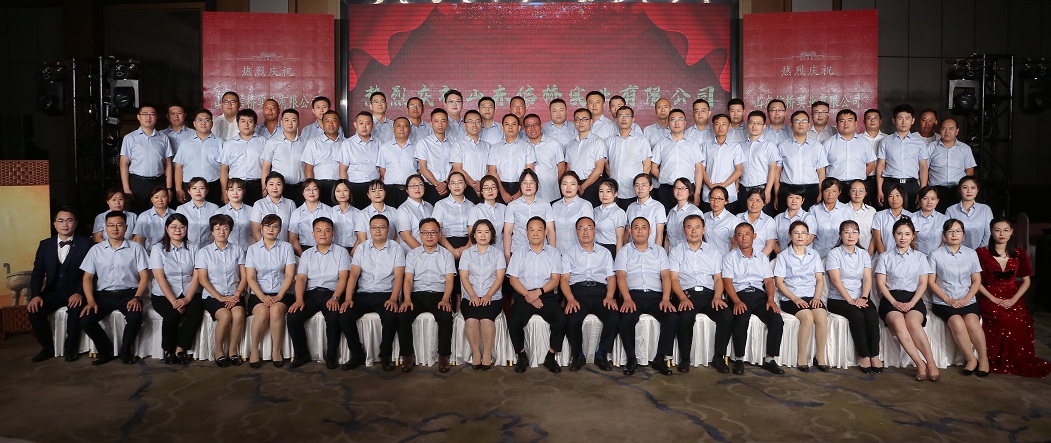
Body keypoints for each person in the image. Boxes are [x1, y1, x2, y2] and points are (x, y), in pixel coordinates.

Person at [976, 217, 1051, 377]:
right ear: (991, 232)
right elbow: (976, 282)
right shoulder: (981, 253)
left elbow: (1026, 281)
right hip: (989, 296)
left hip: (1012, 296)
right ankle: (994, 359)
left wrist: (1014, 299)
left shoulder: (1019, 254)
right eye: (997, 230)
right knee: (1002, 318)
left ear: (1011, 232)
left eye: (1005, 230)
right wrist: (993, 298)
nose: (1001, 234)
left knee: (1020, 320)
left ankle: (1016, 360)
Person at [79, 211, 149, 365]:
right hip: (103, 295)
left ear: (126, 227)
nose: (115, 228)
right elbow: (87, 278)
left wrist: (137, 297)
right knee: (86, 320)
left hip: (129, 294)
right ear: (105, 227)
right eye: (111, 225)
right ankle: (106, 352)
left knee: (135, 317)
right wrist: (90, 300)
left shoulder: (136, 248)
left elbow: (144, 276)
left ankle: (125, 352)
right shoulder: (96, 250)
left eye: (119, 225)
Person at [874, 218, 939, 381]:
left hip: (913, 298)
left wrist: (912, 303)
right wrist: (894, 302)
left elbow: (923, 283)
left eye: (907, 234)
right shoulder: (885, 257)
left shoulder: (920, 257)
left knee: (913, 323)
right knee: (898, 322)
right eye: (899, 233)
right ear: (894, 235)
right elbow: (881, 283)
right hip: (891, 299)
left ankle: (931, 362)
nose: (903, 237)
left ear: (913, 236)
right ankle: (919, 363)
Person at [614, 217, 678, 376]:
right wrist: (626, 298)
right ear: (630, 231)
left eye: (644, 227)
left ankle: (660, 358)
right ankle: (631, 358)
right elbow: (621, 277)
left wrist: (666, 299)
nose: (640, 231)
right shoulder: (624, 251)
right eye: (636, 227)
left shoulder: (659, 251)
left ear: (650, 231)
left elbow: (665, 276)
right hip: (633, 295)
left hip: (656, 296)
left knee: (672, 317)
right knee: (626, 318)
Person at [669, 214, 733, 373]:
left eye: (697, 227)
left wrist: (717, 296)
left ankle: (718, 357)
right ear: (684, 230)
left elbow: (718, 278)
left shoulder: (713, 251)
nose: (694, 231)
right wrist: (682, 298)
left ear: (703, 230)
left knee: (726, 315)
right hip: (686, 294)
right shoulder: (676, 251)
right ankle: (685, 359)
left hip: (709, 295)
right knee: (685, 316)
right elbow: (673, 279)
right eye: (689, 227)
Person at [287, 217, 353, 369]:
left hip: (332, 293)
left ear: (333, 233)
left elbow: (343, 277)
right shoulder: (307, 254)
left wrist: (335, 297)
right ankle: (302, 354)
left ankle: (331, 356)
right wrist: (299, 299)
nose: (323, 234)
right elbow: (301, 278)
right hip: (311, 294)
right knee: (293, 317)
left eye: (327, 230)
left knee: (333, 316)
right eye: (319, 230)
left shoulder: (341, 252)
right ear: (313, 234)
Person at [341, 215, 404, 371]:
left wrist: (394, 299)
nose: (378, 231)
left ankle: (385, 355)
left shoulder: (396, 248)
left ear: (388, 230)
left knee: (391, 317)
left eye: (382, 227)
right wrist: (348, 298)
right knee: (344, 316)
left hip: (386, 294)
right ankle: (357, 354)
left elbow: (399, 276)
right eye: (374, 227)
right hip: (364, 293)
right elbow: (353, 275)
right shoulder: (361, 248)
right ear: (369, 230)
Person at [27, 206, 90, 362]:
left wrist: (79, 293)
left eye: (69, 220)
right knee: (34, 311)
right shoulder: (45, 245)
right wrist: (36, 295)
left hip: (76, 291)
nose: (65, 224)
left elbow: (90, 274)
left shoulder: (86, 244)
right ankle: (47, 348)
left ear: (76, 223)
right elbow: (37, 273)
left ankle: (71, 349)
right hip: (53, 292)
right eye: (60, 221)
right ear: (54, 224)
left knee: (75, 311)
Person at [722, 222, 785, 375]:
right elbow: (727, 282)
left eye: (747, 234)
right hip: (739, 295)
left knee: (776, 319)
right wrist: (736, 301)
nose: (743, 238)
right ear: (735, 238)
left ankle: (769, 359)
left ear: (754, 236)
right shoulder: (730, 257)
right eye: (740, 234)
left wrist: (770, 299)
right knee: (741, 318)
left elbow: (768, 281)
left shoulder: (762, 257)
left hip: (759, 296)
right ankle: (739, 359)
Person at [928, 218, 988, 376]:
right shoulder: (935, 254)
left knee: (973, 322)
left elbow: (976, 281)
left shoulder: (971, 254)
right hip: (943, 301)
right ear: (944, 235)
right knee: (957, 322)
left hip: (967, 299)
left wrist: (967, 299)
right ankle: (971, 359)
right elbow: (931, 282)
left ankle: (983, 359)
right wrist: (948, 300)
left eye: (958, 231)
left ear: (963, 234)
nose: (954, 234)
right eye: (950, 231)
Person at [559, 216, 619, 371]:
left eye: (589, 228)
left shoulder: (605, 253)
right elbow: (564, 280)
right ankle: (578, 355)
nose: (585, 232)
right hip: (577, 294)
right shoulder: (568, 254)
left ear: (594, 231)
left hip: (600, 293)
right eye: (581, 228)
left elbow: (611, 277)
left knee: (613, 316)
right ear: (576, 232)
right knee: (572, 319)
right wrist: (570, 298)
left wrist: (610, 296)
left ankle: (601, 353)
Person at [507, 217, 566, 373]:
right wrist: (528, 295)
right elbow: (513, 280)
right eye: (532, 230)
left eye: (539, 230)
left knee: (560, 319)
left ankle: (550, 356)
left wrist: (537, 293)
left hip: (546, 295)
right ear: (526, 232)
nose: (535, 233)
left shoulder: (554, 253)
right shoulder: (518, 253)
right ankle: (522, 356)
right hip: (524, 294)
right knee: (513, 321)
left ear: (545, 232)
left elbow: (555, 280)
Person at [398, 218, 455, 372]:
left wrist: (445, 299)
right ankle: (407, 355)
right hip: (417, 295)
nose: (429, 236)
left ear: (439, 234)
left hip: (439, 295)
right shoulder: (412, 255)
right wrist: (407, 299)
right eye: (425, 232)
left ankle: (443, 356)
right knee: (403, 316)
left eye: (433, 232)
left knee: (445, 317)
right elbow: (408, 280)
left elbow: (450, 280)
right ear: (420, 235)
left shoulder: (447, 255)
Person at [826, 220, 883, 373]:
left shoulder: (863, 254)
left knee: (871, 314)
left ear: (858, 235)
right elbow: (836, 280)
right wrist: (850, 300)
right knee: (856, 315)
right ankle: (863, 356)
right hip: (838, 299)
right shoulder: (834, 254)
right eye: (846, 232)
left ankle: (874, 355)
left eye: (854, 232)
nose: (850, 235)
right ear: (840, 235)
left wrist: (863, 297)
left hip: (860, 297)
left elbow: (867, 279)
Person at [774, 221, 829, 371]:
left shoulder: (814, 254)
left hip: (811, 296)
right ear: (790, 235)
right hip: (791, 297)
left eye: (803, 233)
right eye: (796, 233)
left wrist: (817, 298)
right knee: (807, 317)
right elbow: (779, 283)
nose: (800, 236)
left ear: (808, 236)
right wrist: (795, 298)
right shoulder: (783, 256)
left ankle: (820, 356)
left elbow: (819, 279)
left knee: (821, 317)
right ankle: (802, 356)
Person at [148, 213, 202, 365]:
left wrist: (187, 299)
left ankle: (180, 349)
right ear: (167, 229)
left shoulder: (194, 248)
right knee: (171, 316)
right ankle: (169, 350)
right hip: (163, 294)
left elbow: (196, 276)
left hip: (189, 291)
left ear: (186, 229)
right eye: (173, 227)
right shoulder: (158, 249)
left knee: (195, 315)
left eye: (182, 227)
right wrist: (174, 301)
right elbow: (160, 277)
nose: (178, 230)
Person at [244, 214, 297, 368]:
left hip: (282, 293)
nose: (271, 229)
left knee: (275, 310)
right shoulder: (252, 249)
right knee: (262, 313)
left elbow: (290, 275)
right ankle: (254, 350)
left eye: (275, 226)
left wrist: (279, 295)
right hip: (259, 293)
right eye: (267, 226)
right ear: (261, 228)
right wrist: (262, 297)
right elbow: (250, 278)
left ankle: (276, 350)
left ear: (280, 229)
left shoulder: (286, 247)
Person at [195, 214, 247, 367]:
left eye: (225, 228)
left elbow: (244, 276)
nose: (222, 232)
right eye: (218, 228)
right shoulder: (204, 252)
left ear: (230, 231)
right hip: (213, 296)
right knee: (225, 316)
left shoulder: (238, 250)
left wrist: (237, 294)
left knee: (238, 314)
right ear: (212, 231)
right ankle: (218, 351)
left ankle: (233, 351)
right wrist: (219, 297)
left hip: (235, 294)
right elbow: (202, 279)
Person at [459, 219, 506, 370]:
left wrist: (488, 295)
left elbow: (499, 278)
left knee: (486, 320)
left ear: (492, 235)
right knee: (471, 321)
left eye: (486, 232)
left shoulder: (498, 254)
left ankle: (486, 354)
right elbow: (464, 277)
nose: (483, 235)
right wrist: (473, 295)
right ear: (474, 235)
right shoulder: (466, 254)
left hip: (492, 296)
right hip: (470, 296)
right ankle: (476, 354)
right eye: (479, 232)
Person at [119, 104, 173, 212]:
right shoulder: (130, 138)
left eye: (152, 114)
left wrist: (169, 188)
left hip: (158, 181)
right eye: (144, 114)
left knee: (159, 212)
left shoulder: (163, 138)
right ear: (138, 117)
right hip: (137, 182)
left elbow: (168, 164)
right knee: (137, 212)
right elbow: (123, 164)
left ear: (156, 117)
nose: (148, 117)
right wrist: (126, 188)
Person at [876, 104, 929, 211]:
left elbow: (923, 167)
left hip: (911, 185)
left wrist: (922, 191)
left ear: (912, 120)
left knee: (911, 217)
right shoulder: (885, 141)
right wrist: (879, 190)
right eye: (900, 118)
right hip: (890, 184)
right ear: (894, 120)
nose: (904, 122)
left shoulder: (919, 142)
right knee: (889, 215)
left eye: (907, 118)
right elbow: (880, 166)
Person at [652, 108, 705, 212]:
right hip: (667, 189)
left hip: (687, 188)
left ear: (685, 123)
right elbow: (653, 168)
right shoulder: (661, 144)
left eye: (680, 119)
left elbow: (699, 169)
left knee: (688, 218)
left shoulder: (693, 143)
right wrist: (665, 178)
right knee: (666, 218)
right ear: (668, 123)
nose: (676, 122)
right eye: (673, 119)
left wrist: (697, 193)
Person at [775, 110, 826, 210]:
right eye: (797, 121)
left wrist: (821, 192)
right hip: (788, 190)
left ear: (809, 125)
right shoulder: (783, 146)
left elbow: (821, 172)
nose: (801, 124)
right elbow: (777, 172)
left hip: (811, 190)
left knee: (810, 218)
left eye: (804, 121)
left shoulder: (817, 146)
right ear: (791, 125)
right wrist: (777, 195)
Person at [606, 106, 653, 209]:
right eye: (620, 116)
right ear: (616, 119)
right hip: (615, 191)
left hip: (634, 191)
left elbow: (647, 165)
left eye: (627, 116)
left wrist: (641, 185)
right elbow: (607, 164)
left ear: (633, 119)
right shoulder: (609, 140)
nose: (623, 119)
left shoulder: (641, 140)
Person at [502, 169, 555, 261]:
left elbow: (550, 231)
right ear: (520, 185)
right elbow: (507, 232)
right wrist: (507, 256)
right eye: (525, 183)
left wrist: (553, 254)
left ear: (536, 185)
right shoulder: (512, 206)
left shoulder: (545, 205)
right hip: (518, 251)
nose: (528, 186)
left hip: (541, 252)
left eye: (531, 182)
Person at [823, 109, 876, 200]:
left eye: (849, 120)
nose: (846, 124)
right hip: (835, 187)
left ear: (856, 123)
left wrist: (859, 178)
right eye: (842, 121)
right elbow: (822, 167)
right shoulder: (828, 143)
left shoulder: (864, 142)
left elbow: (871, 164)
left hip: (857, 188)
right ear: (837, 124)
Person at [173, 109, 223, 205]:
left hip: (214, 186)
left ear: (212, 123)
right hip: (190, 187)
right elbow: (179, 167)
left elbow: (224, 168)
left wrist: (224, 189)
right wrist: (178, 189)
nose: (203, 123)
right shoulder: (185, 143)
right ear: (194, 124)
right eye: (200, 120)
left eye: (207, 120)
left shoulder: (220, 142)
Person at [925, 117, 975, 210]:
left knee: (957, 216)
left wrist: (964, 187)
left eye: (951, 128)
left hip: (958, 190)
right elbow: (924, 169)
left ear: (957, 131)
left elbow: (970, 170)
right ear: (940, 130)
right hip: (936, 190)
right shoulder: (930, 148)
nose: (947, 131)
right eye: (944, 128)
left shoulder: (965, 148)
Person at [219, 108, 265, 205]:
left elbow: (267, 167)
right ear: (238, 124)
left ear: (255, 124)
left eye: (250, 121)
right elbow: (224, 169)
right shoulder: (229, 144)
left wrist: (265, 188)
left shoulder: (264, 142)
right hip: (235, 186)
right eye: (243, 121)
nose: (246, 124)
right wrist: (224, 191)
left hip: (257, 186)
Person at [261, 109, 307, 205]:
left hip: (301, 187)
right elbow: (266, 167)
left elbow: (309, 167)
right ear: (281, 122)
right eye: (286, 120)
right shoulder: (272, 143)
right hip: (279, 188)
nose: (290, 123)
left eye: (293, 120)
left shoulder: (305, 143)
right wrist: (264, 188)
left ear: (298, 123)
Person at [488, 114, 536, 204]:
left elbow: (530, 172)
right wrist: (502, 192)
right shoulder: (495, 148)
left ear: (519, 128)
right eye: (507, 124)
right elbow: (492, 171)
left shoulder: (527, 147)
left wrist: (520, 193)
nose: (510, 127)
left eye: (513, 124)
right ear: (502, 128)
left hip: (521, 186)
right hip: (500, 187)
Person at [565, 107, 608, 207]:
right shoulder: (571, 144)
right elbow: (568, 168)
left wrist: (583, 187)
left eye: (584, 119)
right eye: (577, 119)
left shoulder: (598, 142)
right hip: (574, 186)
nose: (581, 122)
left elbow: (599, 169)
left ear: (591, 121)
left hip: (592, 184)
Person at [701, 114, 743, 212]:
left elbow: (739, 170)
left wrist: (722, 186)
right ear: (713, 126)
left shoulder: (735, 146)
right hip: (709, 193)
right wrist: (710, 185)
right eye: (717, 124)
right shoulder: (706, 146)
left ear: (729, 126)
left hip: (729, 193)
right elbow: (701, 169)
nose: (720, 127)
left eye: (724, 124)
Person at [302, 110, 345, 206]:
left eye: (334, 120)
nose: (331, 124)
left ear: (339, 124)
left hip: (339, 185)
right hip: (319, 184)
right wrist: (311, 188)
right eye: (327, 121)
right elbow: (308, 168)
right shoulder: (313, 142)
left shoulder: (346, 143)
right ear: (323, 124)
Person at [339, 111, 380, 210]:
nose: (364, 127)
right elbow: (343, 169)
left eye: (368, 123)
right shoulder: (347, 144)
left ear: (373, 125)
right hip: (354, 186)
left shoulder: (379, 143)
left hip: (374, 187)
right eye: (361, 123)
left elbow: (382, 168)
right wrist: (346, 188)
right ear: (355, 125)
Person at [740, 110, 778, 215]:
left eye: (758, 123)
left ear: (764, 126)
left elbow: (773, 169)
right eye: (751, 123)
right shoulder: (741, 145)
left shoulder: (769, 145)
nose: (754, 126)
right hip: (744, 189)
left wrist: (768, 190)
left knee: (763, 220)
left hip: (762, 189)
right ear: (747, 124)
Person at [451, 110, 492, 204]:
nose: (474, 124)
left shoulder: (488, 146)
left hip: (485, 188)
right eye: (470, 122)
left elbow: (490, 169)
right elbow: (457, 168)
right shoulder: (458, 145)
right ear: (464, 125)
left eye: (477, 122)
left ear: (481, 124)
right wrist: (474, 185)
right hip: (466, 188)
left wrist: (482, 184)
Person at [377, 117, 417, 207]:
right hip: (390, 190)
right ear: (393, 129)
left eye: (405, 126)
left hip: (411, 189)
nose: (402, 129)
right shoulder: (385, 147)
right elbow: (382, 170)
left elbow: (419, 168)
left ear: (410, 129)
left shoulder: (417, 147)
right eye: (398, 126)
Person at [416, 109, 454, 204]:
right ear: (431, 123)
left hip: (449, 187)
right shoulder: (423, 143)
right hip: (430, 188)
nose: (440, 124)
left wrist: (445, 183)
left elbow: (455, 167)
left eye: (443, 121)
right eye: (436, 121)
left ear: (448, 123)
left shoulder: (453, 143)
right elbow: (423, 168)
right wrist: (437, 185)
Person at [433, 171, 475, 259]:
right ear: (448, 186)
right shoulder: (440, 205)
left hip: (468, 244)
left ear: (465, 185)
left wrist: (466, 248)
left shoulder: (471, 205)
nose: (456, 186)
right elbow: (436, 230)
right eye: (453, 183)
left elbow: (474, 231)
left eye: (460, 182)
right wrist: (452, 251)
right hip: (446, 243)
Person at [287, 179, 333, 256]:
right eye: (307, 189)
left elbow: (333, 234)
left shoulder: (329, 210)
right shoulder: (296, 212)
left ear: (319, 191)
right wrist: (302, 256)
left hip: (325, 249)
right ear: (303, 193)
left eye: (315, 189)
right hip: (303, 249)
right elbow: (293, 238)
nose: (311, 192)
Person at [945, 176, 992, 250]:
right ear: (959, 190)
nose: (969, 191)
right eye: (965, 187)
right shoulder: (950, 210)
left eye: (973, 188)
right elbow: (948, 233)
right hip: (956, 251)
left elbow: (989, 232)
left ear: (977, 190)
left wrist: (980, 250)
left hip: (981, 251)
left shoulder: (985, 209)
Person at [551, 171, 594, 252]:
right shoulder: (555, 206)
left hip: (577, 252)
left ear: (578, 187)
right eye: (565, 184)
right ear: (560, 186)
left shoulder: (585, 205)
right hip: (557, 252)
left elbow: (589, 231)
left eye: (572, 184)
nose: (568, 187)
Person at [250, 171, 296, 243]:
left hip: (285, 246)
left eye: (278, 184)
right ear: (266, 186)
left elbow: (293, 231)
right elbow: (255, 231)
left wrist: (287, 247)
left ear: (283, 186)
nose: (275, 187)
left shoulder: (290, 204)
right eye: (271, 184)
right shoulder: (259, 204)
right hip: (264, 247)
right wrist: (266, 246)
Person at [810, 178, 851, 258]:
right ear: (822, 192)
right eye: (827, 191)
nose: (830, 194)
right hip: (818, 254)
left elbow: (850, 233)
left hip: (840, 254)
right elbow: (810, 234)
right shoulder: (814, 209)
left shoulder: (846, 209)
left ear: (839, 192)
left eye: (834, 191)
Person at [175, 177, 220, 247]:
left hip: (208, 248)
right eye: (194, 188)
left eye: (201, 188)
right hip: (188, 248)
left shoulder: (214, 208)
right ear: (189, 191)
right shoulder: (181, 209)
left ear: (206, 191)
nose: (198, 191)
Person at [625, 173, 666, 248]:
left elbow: (659, 234)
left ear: (651, 187)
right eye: (637, 185)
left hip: (650, 250)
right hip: (632, 250)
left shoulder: (658, 207)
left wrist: (657, 252)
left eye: (644, 185)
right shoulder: (631, 207)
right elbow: (627, 233)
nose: (640, 188)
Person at [735, 188, 777, 258]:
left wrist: (756, 260)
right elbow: (734, 242)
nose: (754, 204)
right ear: (747, 201)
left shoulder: (769, 221)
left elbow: (770, 245)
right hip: (739, 259)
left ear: (764, 203)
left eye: (758, 201)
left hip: (760, 260)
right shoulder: (738, 218)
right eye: (751, 200)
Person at [870, 184, 912, 254]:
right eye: (891, 196)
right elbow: (877, 239)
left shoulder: (911, 216)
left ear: (903, 197)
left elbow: (912, 240)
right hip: (883, 254)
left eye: (898, 195)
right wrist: (884, 256)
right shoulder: (879, 215)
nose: (894, 199)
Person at [396, 174, 434, 251]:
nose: (417, 188)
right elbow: (406, 237)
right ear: (407, 190)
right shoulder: (403, 209)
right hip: (413, 253)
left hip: (432, 251)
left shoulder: (429, 206)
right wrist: (424, 253)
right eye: (413, 186)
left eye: (420, 185)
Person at [466, 175, 506, 247]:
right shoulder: (475, 210)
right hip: (482, 250)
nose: (490, 190)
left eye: (493, 187)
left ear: (497, 190)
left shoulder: (504, 208)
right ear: (481, 191)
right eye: (486, 188)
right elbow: (472, 237)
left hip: (501, 249)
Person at [774, 186, 815, 254]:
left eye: (797, 198)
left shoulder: (809, 217)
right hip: (782, 256)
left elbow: (809, 239)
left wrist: (792, 254)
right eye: (791, 197)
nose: (794, 201)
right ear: (786, 199)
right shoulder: (778, 218)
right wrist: (782, 255)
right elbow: (773, 240)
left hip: (803, 256)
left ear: (802, 200)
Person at [664, 177, 703, 249]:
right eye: (677, 188)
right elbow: (667, 238)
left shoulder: (695, 211)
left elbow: (698, 238)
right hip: (671, 253)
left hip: (687, 252)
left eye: (683, 188)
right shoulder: (671, 212)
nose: (679, 191)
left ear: (689, 191)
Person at [860, 109, 888, 207]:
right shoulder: (858, 139)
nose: (872, 121)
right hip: (865, 178)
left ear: (880, 121)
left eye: (875, 118)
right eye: (869, 118)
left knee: (882, 207)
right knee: (862, 207)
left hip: (883, 179)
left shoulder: (888, 139)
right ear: (864, 121)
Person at [593, 179, 627, 257]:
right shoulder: (595, 210)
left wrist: (618, 259)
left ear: (615, 194)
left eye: (608, 191)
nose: (604, 195)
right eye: (601, 191)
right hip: (595, 248)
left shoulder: (618, 212)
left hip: (610, 249)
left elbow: (620, 238)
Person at [216, 178, 254, 248]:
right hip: (227, 250)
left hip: (247, 250)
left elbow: (256, 232)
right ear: (226, 192)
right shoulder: (220, 212)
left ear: (244, 191)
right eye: (231, 190)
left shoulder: (252, 211)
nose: (235, 193)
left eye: (239, 189)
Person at [913, 186, 948, 254]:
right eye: (925, 198)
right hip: (916, 256)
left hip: (938, 255)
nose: (929, 202)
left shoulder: (944, 219)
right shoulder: (912, 217)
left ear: (937, 201)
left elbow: (945, 241)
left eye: (933, 199)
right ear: (919, 200)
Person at [702, 185, 737, 254]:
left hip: (723, 257)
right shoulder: (704, 216)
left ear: (726, 201)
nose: (715, 202)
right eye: (713, 198)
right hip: (707, 257)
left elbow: (735, 245)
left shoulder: (731, 219)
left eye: (719, 199)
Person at [331, 180, 362, 252]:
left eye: (345, 190)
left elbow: (360, 237)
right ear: (334, 193)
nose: (342, 193)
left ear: (350, 192)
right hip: (334, 250)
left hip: (354, 249)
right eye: (338, 191)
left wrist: (352, 254)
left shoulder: (359, 213)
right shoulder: (329, 212)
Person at [847, 180, 877, 250]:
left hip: (867, 250)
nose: (857, 194)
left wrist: (869, 253)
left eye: (861, 191)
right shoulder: (842, 209)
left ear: (865, 193)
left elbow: (875, 235)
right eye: (854, 190)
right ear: (849, 192)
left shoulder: (871, 211)